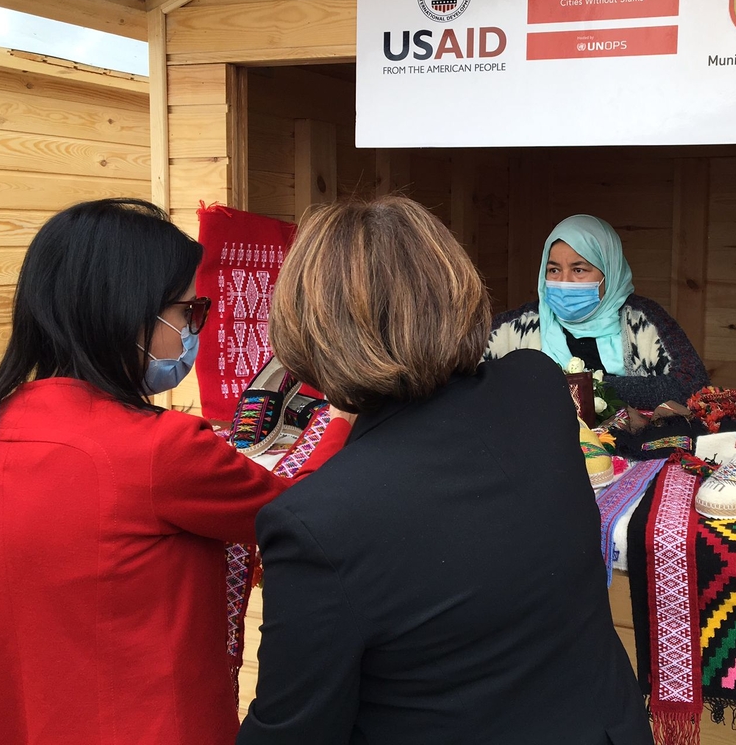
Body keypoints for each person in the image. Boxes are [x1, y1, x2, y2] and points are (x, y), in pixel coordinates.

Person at [238, 196, 651, 745]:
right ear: (458, 290)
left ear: (308, 331)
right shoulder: (537, 387)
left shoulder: (315, 524)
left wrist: (342, 398)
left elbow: (290, 732)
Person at [0, 199, 348, 745]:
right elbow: (304, 517)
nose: (194, 328)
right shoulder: (163, 451)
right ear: (126, 314)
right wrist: (341, 419)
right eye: (189, 312)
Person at [485, 214, 710, 409]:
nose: (564, 281)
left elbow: (692, 385)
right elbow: (460, 374)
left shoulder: (642, 320)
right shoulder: (516, 327)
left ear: (609, 273)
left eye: (579, 269)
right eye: (554, 270)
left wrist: (593, 388)